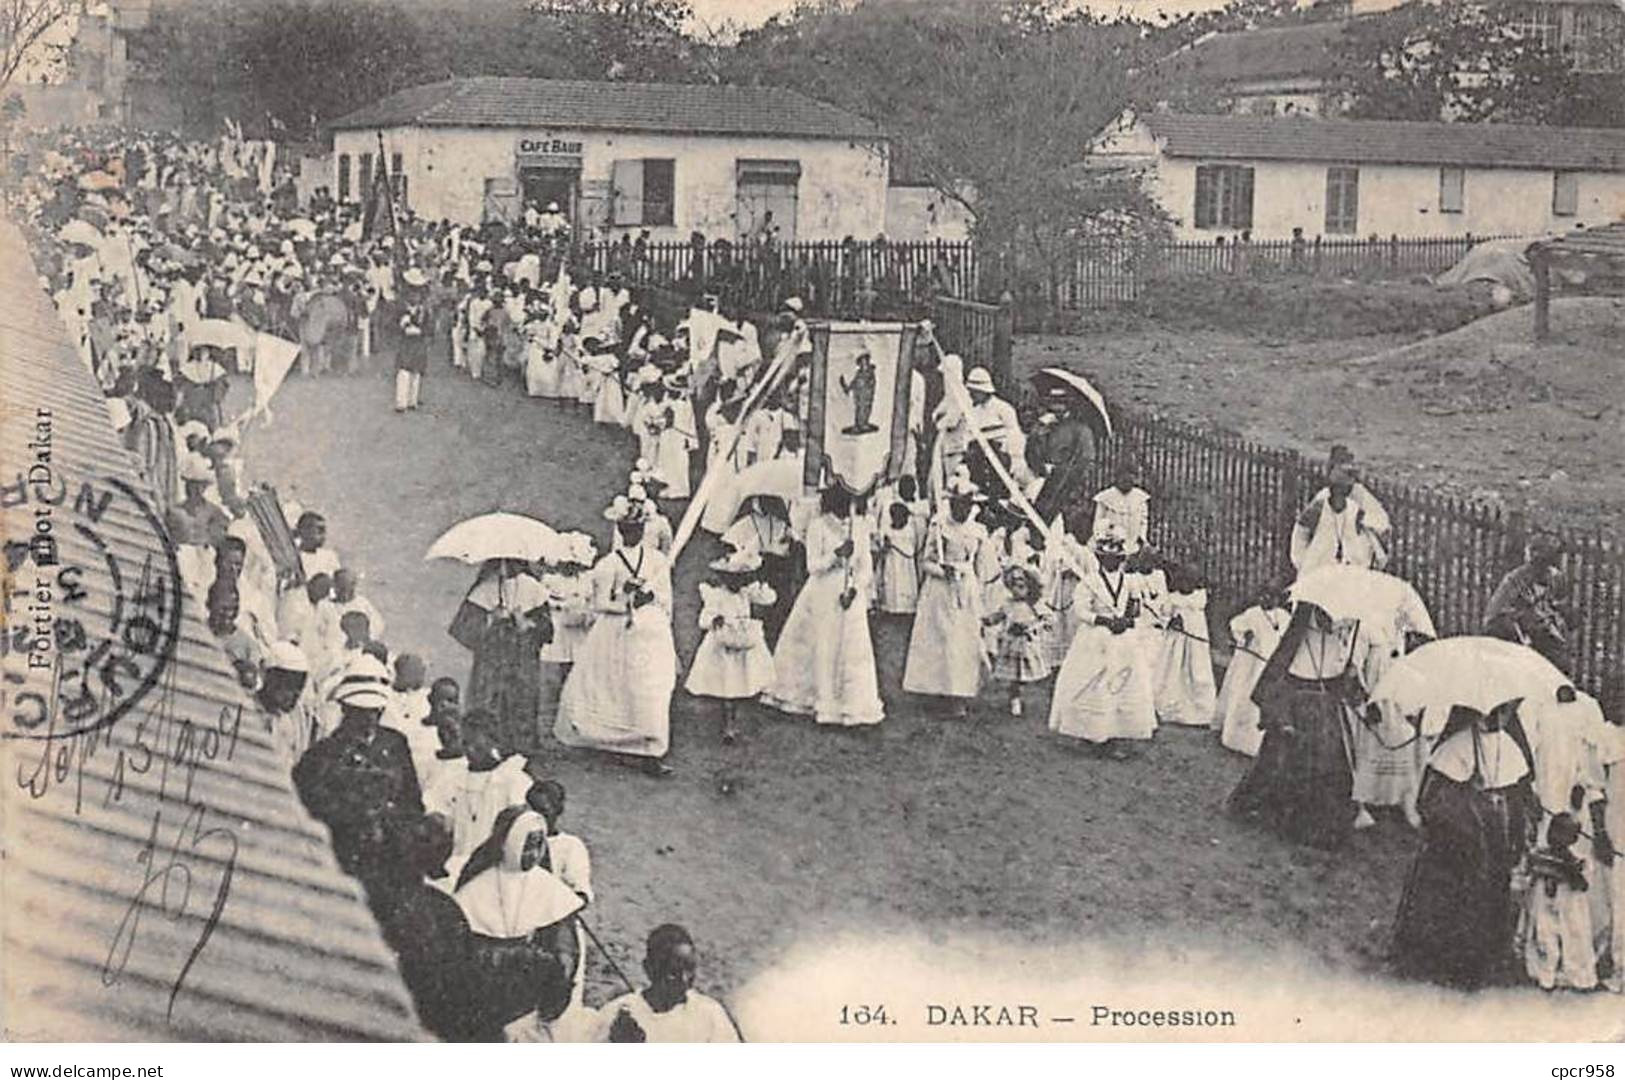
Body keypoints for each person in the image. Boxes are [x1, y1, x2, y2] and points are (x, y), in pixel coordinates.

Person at [1389, 701, 1535, 989]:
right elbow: (1432, 799)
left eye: (1505, 712)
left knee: (1493, 891)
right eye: (1495, 711)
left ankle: (1484, 959)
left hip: (1496, 833)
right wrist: (1468, 796)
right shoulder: (1457, 745)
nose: (1499, 718)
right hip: (1459, 839)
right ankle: (1448, 961)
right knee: (1457, 896)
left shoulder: (1509, 746)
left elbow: (1518, 795)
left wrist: (1516, 832)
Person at [554, 502, 677, 777]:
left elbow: (666, 599)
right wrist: (625, 601)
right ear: (620, 530)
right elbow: (600, 603)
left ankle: (651, 751)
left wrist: (651, 603)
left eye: (637, 528)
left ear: (643, 529)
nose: (632, 532)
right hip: (615, 632)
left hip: (649, 634)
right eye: (627, 528)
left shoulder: (657, 561)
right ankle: (613, 741)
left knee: (651, 689)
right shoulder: (607, 565)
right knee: (615, 687)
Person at [1227, 600, 1361, 850]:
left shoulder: (1356, 614)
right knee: (1282, 755)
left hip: (1327, 690)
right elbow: (1287, 650)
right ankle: (1270, 810)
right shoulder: (1308, 610)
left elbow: (1345, 652)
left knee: (1327, 762)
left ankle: (1316, 823)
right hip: (1300, 688)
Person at [292, 654, 424, 881]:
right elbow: (306, 814)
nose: (369, 719)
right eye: (360, 712)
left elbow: (412, 802)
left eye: (375, 711)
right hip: (341, 862)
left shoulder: (395, 744)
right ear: (345, 708)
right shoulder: (321, 756)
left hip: (389, 862)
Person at [455, 808, 583, 1039]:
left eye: (537, 845)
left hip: (530, 1004)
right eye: (527, 845)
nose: (533, 854)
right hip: (483, 996)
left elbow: (565, 949)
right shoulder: (475, 888)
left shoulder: (550, 889)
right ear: (508, 843)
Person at [762, 486, 883, 729]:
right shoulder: (818, 526)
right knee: (823, 645)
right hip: (823, 592)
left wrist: (856, 588)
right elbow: (812, 566)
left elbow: (865, 567)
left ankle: (851, 705)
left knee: (853, 651)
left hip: (850, 595)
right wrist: (837, 555)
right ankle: (818, 700)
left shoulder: (859, 526)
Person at [1046, 529, 1157, 760]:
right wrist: (1104, 620)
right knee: (1093, 682)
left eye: (1117, 558)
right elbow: (1081, 609)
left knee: (1122, 682)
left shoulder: (1130, 581)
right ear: (1099, 558)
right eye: (1107, 558)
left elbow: (1136, 605)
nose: (1112, 561)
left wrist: (1127, 619)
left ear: (1122, 559)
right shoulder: (1091, 581)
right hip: (1095, 637)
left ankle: (1116, 734)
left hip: (1123, 639)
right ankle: (1090, 733)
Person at [449, 559, 551, 756]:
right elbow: (462, 629)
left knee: (522, 699)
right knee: (490, 700)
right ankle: (488, 743)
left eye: (513, 563)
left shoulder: (533, 589)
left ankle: (522, 745)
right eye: (503, 563)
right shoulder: (485, 590)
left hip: (523, 658)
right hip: (492, 659)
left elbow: (547, 630)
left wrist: (527, 624)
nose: (508, 569)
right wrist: (490, 619)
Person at [902, 484, 988, 714]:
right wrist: (943, 571)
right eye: (959, 505)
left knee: (962, 641)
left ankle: (959, 694)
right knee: (942, 638)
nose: (963, 510)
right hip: (940, 591)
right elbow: (926, 561)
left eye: (967, 505)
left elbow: (980, 568)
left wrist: (979, 595)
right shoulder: (939, 527)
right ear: (951, 504)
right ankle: (937, 689)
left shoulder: (977, 531)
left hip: (965, 590)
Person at [685, 547, 777, 744]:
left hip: (743, 641)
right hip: (723, 645)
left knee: (742, 683)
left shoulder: (746, 592)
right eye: (731, 579)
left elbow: (770, 599)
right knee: (728, 686)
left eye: (740, 578)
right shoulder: (716, 595)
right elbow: (704, 619)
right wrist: (714, 620)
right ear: (724, 579)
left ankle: (736, 720)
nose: (736, 583)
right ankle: (728, 725)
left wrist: (758, 583)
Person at [588, 924, 742, 1043]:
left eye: (689, 969)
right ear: (649, 969)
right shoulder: (615, 1015)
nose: (684, 980)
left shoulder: (709, 1014)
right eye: (672, 973)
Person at [1214, 584, 1290, 757]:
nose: (1266, 599)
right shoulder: (1253, 614)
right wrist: (1243, 637)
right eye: (1263, 596)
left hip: (1272, 661)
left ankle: (1262, 739)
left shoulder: (1284, 616)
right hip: (1252, 663)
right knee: (1247, 694)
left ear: (1278, 599)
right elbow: (1235, 626)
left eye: (1271, 596)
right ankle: (1240, 737)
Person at [1483, 531, 1573, 672]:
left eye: (1546, 562)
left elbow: (1558, 607)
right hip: (1515, 633)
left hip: (1542, 632)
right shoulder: (1515, 580)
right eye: (1536, 562)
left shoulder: (1555, 579)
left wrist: (1556, 619)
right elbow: (1495, 614)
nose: (1540, 568)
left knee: (1559, 661)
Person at [1290, 457, 1390, 575]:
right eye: (1337, 488)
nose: (1341, 493)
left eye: (1345, 488)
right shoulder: (1320, 505)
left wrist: (1364, 522)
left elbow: (1380, 524)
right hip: (1319, 567)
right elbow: (1300, 534)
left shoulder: (1357, 505)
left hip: (1350, 568)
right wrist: (1302, 562)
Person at [1148, 559, 1217, 729]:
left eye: (1192, 580)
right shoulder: (1172, 598)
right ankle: (1170, 707)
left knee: (1197, 672)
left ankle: (1200, 710)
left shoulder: (1200, 598)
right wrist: (1170, 621)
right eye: (1184, 579)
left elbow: (1206, 620)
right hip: (1176, 643)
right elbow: (1162, 615)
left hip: (1196, 644)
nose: (1187, 584)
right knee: (1171, 671)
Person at [986, 565, 1051, 718]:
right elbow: (998, 616)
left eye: (1021, 586)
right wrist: (987, 620)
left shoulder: (1034, 604)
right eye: (1013, 586)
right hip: (1011, 644)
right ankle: (1014, 699)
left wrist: (1031, 627)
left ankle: (1020, 695)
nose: (1017, 590)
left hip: (1027, 643)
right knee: (1013, 675)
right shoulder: (1008, 603)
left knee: (1024, 673)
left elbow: (1048, 620)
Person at [1030, 387, 1097, 526]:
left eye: (1061, 402)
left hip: (1067, 485)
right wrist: (1038, 432)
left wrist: (1063, 471)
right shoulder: (1045, 426)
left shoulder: (1080, 429)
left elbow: (1086, 460)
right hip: (1042, 483)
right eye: (1053, 402)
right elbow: (1032, 453)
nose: (1056, 406)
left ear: (1068, 405)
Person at [960, 365, 1028, 500]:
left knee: (1000, 495)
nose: (971, 395)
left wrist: (1015, 462)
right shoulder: (973, 412)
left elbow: (1015, 437)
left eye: (974, 392)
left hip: (1000, 460)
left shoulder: (1004, 409)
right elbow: (967, 438)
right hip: (978, 461)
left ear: (983, 390)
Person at [1091, 456, 1150, 555]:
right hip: (1110, 547)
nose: (1126, 480)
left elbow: (1143, 521)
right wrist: (1102, 539)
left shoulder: (1140, 498)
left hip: (1133, 545)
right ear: (1117, 478)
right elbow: (1098, 522)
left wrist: (1141, 538)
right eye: (1123, 477)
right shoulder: (1105, 497)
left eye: (1131, 477)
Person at [395, 288, 428, 413]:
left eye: (417, 295)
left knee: (416, 371)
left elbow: (428, 328)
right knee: (403, 370)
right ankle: (401, 402)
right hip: (406, 343)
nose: (414, 297)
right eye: (412, 294)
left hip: (419, 342)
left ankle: (412, 401)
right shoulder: (402, 310)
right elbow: (395, 326)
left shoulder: (423, 311)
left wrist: (420, 330)